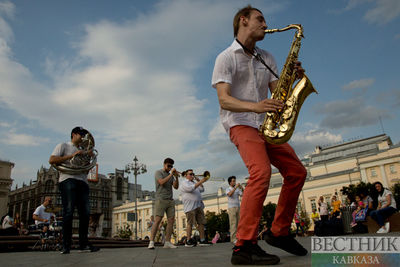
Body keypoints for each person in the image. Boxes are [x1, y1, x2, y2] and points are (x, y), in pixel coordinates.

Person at [212, 5, 308, 265]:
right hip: (240, 122)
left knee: (297, 172)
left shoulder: (267, 56)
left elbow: (279, 94)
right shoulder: (226, 57)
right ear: (243, 20)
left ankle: (279, 232)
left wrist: (295, 80)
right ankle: (243, 246)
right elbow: (224, 100)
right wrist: (256, 106)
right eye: (260, 19)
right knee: (261, 172)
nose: (266, 24)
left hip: (264, 125)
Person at [49, 126, 100, 254]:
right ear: (73, 134)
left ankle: (83, 244)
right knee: (69, 212)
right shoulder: (64, 146)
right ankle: (65, 245)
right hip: (68, 179)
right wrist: (72, 155)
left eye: (84, 135)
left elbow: (86, 169)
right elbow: (52, 160)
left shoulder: (83, 151)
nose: (83, 137)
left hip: (82, 181)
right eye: (80, 134)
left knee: (85, 214)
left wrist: (88, 158)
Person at [148, 158, 179, 249]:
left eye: (171, 166)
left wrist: (176, 177)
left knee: (171, 221)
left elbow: (176, 187)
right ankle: (151, 242)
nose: (170, 168)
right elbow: (161, 182)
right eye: (168, 166)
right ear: (164, 164)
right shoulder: (158, 172)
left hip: (170, 200)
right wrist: (171, 175)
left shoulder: (171, 175)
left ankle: (168, 242)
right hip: (160, 199)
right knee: (157, 220)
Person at [180, 169, 212, 247]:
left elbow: (202, 189)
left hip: (198, 205)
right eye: (190, 174)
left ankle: (202, 240)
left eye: (193, 174)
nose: (192, 175)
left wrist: (199, 181)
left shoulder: (194, 183)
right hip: (190, 207)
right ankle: (188, 240)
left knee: (201, 223)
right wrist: (201, 181)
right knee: (190, 223)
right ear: (186, 175)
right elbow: (190, 189)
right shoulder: (184, 183)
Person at [226, 176, 243, 245]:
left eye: (235, 181)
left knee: (239, 223)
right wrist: (235, 187)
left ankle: (239, 237)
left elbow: (243, 194)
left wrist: (241, 188)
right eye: (233, 181)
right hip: (231, 208)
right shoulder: (228, 189)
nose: (234, 182)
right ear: (230, 182)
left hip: (238, 207)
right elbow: (230, 194)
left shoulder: (237, 189)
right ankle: (233, 239)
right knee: (233, 223)